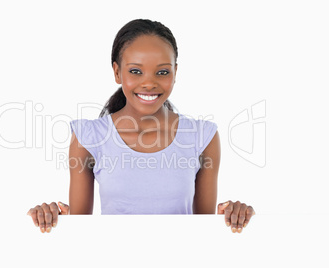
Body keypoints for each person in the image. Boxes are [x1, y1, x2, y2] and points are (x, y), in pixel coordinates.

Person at [27, 18, 255, 234]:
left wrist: (234, 217)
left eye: (163, 72)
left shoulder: (202, 137)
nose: (149, 83)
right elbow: (80, 231)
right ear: (117, 72)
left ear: (176, 73)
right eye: (135, 71)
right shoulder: (88, 138)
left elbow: (205, 231)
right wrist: (51, 218)